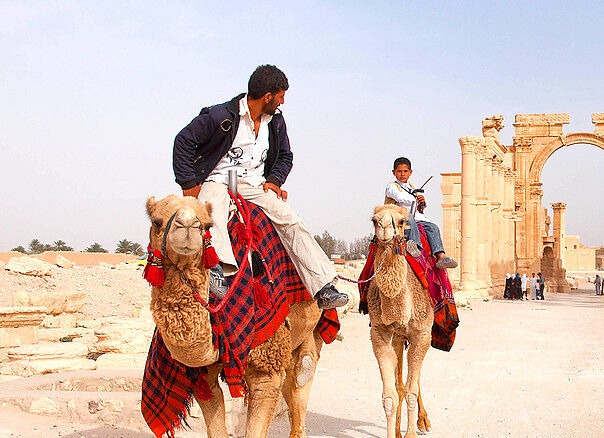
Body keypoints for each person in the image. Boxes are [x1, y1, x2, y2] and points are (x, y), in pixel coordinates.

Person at [172, 64, 348, 309]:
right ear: (267, 97)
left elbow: (285, 156)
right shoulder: (221, 116)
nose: (282, 102)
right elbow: (183, 142)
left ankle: (322, 286)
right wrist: (189, 184)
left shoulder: (275, 122)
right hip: (218, 178)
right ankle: (217, 271)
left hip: (252, 184)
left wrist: (274, 180)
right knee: (214, 213)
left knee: (289, 218)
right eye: (280, 96)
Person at [384, 157, 457, 269]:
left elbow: (418, 207)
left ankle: (440, 255)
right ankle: (415, 246)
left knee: (433, 227)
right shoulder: (392, 186)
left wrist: (421, 202)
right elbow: (399, 197)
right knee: (408, 216)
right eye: (399, 171)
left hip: (415, 217)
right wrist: (414, 198)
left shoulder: (412, 187)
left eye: (405, 171)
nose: (402, 174)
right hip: (399, 217)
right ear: (394, 172)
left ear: (410, 172)